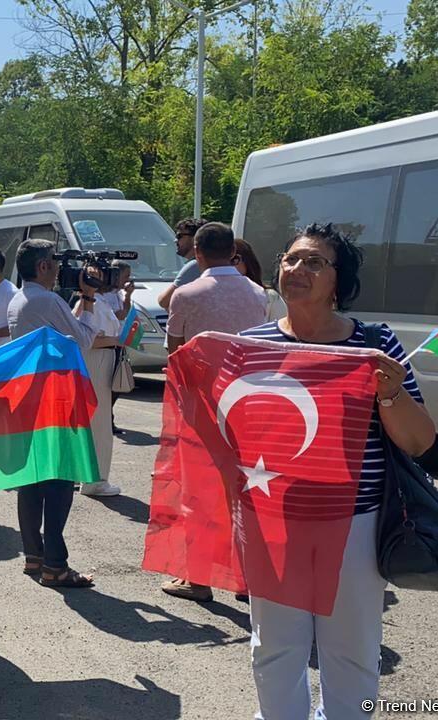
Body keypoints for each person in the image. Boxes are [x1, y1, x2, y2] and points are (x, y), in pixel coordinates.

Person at [240, 222, 435, 720]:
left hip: (355, 524)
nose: (296, 269)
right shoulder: (248, 346)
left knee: (351, 650)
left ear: (338, 280)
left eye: (314, 262)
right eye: (290, 259)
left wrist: (389, 392)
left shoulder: (374, 344)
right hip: (273, 521)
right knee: (274, 647)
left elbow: (418, 441)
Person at [161, 222, 268, 603]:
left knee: (200, 490)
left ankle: (200, 578)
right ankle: (247, 578)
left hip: (203, 403)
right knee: (246, 487)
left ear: (198, 253)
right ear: (233, 252)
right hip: (247, 402)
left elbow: (176, 352)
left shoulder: (186, 294)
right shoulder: (259, 294)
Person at [8, 238, 116, 589]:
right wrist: (89, 299)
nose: (59, 271)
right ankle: (55, 564)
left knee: (32, 479)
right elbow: (82, 339)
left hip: (29, 397)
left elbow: (66, 332)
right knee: (59, 481)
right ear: (43, 266)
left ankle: (34, 555)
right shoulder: (48, 300)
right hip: (54, 399)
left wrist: (82, 299)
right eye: (56, 264)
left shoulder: (19, 299)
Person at [75, 268, 124, 500]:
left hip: (100, 360)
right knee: (99, 422)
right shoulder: (90, 303)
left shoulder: (98, 302)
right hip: (96, 360)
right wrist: (119, 340)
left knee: (94, 420)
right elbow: (89, 340)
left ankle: (86, 475)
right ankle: (95, 480)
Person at [98, 260, 135, 434]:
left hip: (118, 341)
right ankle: (106, 419)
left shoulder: (117, 293)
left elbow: (125, 313)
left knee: (116, 383)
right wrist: (128, 296)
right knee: (108, 384)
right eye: (125, 276)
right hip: (107, 343)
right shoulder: (104, 295)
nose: (128, 280)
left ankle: (108, 417)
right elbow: (119, 314)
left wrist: (127, 296)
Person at [157, 217, 206, 311]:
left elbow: (164, 301)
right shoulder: (211, 263)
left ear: (195, 238)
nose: (175, 240)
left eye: (179, 236)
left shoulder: (194, 265)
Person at [234, 238, 287, 321]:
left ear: (247, 262)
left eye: (234, 260)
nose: (227, 265)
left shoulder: (270, 297)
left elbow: (282, 325)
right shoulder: (214, 295)